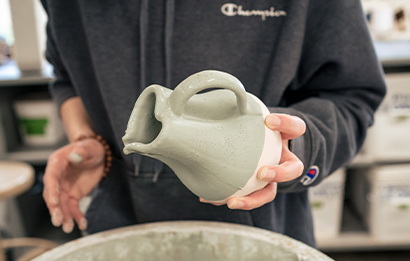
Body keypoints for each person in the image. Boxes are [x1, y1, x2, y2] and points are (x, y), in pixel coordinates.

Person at [40, 0, 386, 247]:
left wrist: (284, 146)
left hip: (261, 239)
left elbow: (352, 96)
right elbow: (67, 75)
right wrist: (88, 140)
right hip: (117, 226)